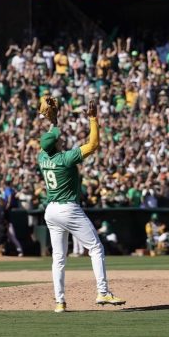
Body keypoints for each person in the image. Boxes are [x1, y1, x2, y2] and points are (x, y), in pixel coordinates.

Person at [38, 99, 125, 313]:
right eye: (59, 139)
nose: (62, 139)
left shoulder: (42, 156)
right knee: (96, 248)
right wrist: (93, 119)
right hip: (68, 209)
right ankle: (102, 291)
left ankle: (60, 302)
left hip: (51, 211)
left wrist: (53, 120)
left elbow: (50, 137)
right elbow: (93, 145)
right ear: (57, 145)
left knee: (58, 258)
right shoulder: (66, 159)